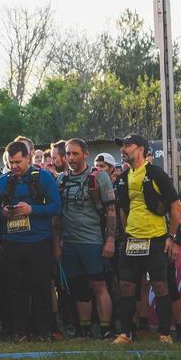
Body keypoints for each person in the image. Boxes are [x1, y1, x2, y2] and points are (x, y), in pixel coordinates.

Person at [111, 133, 181, 344]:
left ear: (141, 149)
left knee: (160, 285)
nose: (123, 149)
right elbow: (123, 210)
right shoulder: (122, 178)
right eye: (122, 146)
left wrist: (171, 237)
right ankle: (126, 333)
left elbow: (176, 206)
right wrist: (126, 235)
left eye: (128, 145)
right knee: (126, 286)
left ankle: (164, 334)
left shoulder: (156, 174)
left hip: (156, 238)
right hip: (132, 239)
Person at [0, 141, 61, 340]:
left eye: (18, 162)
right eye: (11, 162)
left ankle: (43, 330)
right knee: (16, 289)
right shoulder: (2, 182)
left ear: (28, 158)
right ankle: (19, 330)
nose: (14, 166)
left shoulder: (43, 178)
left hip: (39, 242)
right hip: (12, 243)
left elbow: (56, 207)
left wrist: (32, 210)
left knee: (41, 287)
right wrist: (3, 212)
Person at [57, 139, 117, 339]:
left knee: (98, 284)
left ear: (85, 154)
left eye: (75, 153)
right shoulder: (61, 180)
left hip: (92, 240)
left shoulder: (99, 177)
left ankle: (106, 327)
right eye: (68, 154)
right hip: (70, 242)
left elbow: (110, 211)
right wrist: (57, 242)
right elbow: (57, 217)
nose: (71, 158)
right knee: (78, 285)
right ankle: (84, 327)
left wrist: (110, 241)